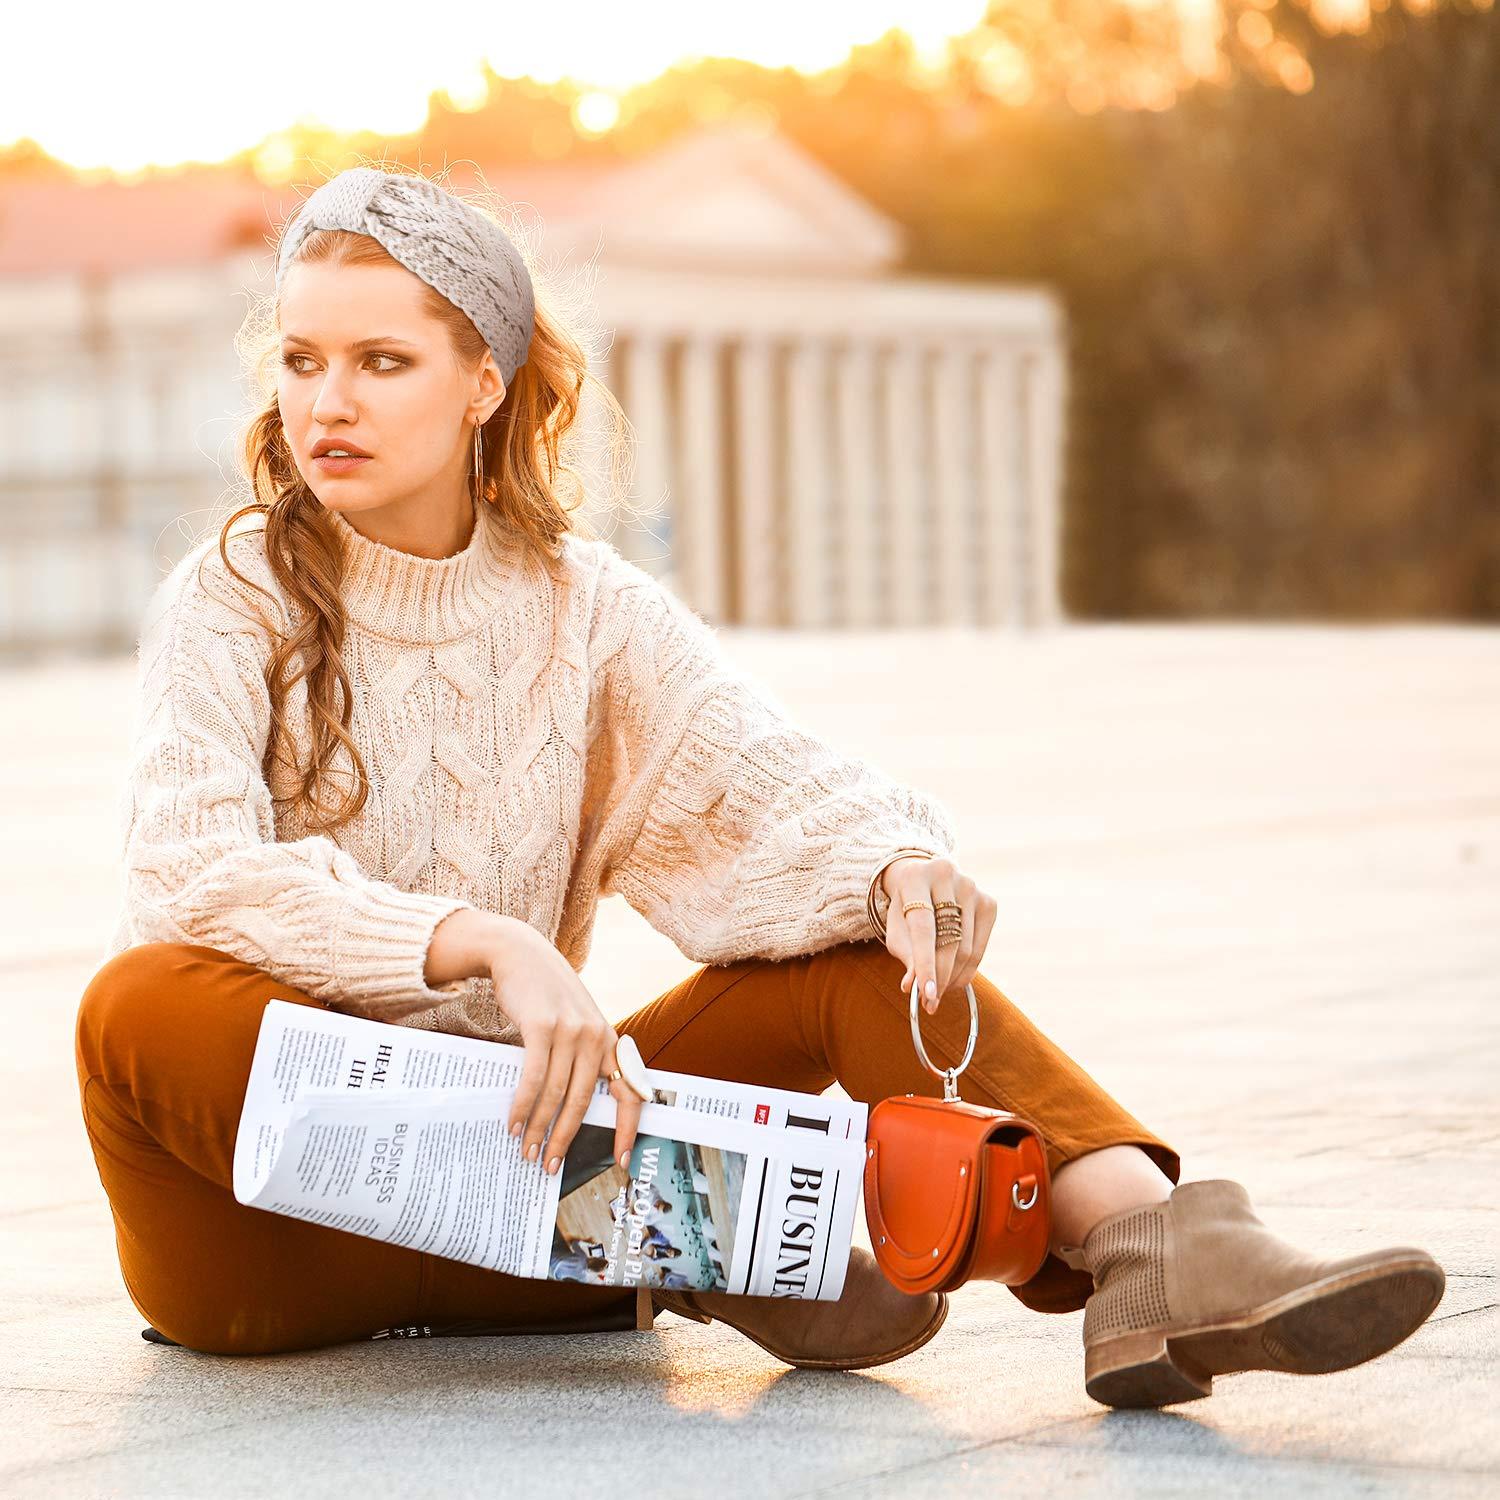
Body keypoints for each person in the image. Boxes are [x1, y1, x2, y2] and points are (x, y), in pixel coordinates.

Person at [74, 164, 1445, 1408]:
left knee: (853, 947)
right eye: (303, 359)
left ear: (483, 382)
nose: (327, 402)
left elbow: (772, 794)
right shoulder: (231, 594)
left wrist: (895, 870)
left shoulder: (587, 611)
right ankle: (712, 1235)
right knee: (136, 1004)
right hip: (268, 1241)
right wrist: (477, 941)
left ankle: (1152, 1249)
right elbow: (191, 875)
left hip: (538, 1169)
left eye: (382, 360)